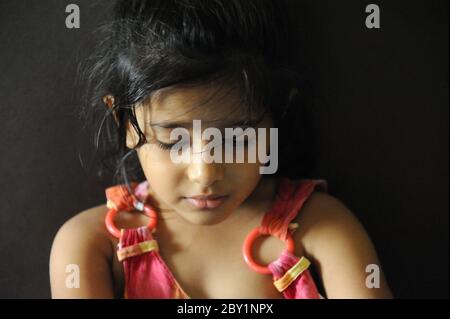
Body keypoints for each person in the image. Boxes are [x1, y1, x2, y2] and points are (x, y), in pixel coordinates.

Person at [49, 0, 392, 299]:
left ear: (277, 119)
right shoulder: (90, 245)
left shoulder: (322, 227)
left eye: (237, 139)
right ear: (124, 122)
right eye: (174, 140)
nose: (206, 173)